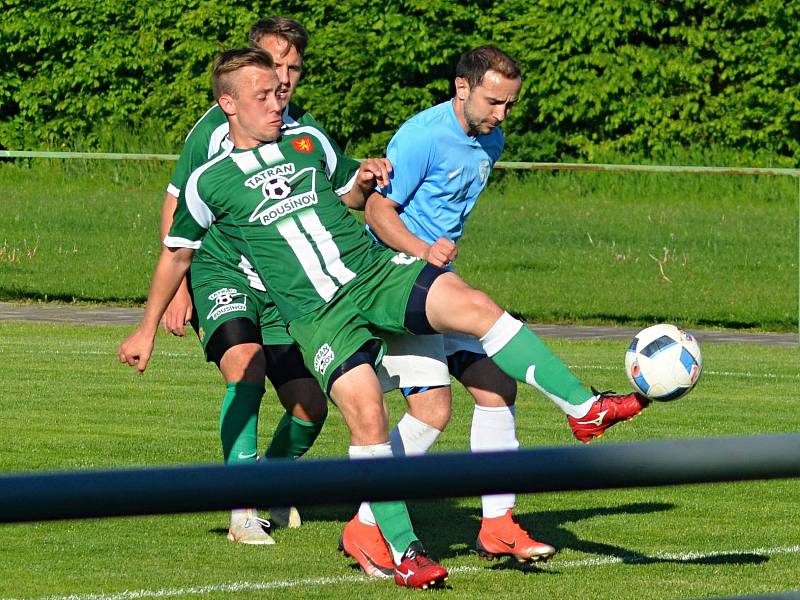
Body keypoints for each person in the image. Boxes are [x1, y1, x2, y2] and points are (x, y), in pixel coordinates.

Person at [119, 47, 647, 588]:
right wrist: (146, 327)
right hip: (319, 315)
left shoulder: (308, 141)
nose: (278, 103)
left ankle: (584, 408)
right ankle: (405, 551)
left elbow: (350, 191)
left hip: (373, 273)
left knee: (474, 308)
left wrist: (366, 176)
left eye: (280, 92)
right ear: (228, 104)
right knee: (367, 416)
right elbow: (177, 252)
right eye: (263, 96)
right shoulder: (209, 181)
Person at [158, 17, 375, 545]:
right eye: (274, 63)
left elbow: (337, 194)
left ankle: (275, 482)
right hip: (221, 272)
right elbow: (177, 204)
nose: (284, 77)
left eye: (293, 67)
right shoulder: (212, 131)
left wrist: (365, 183)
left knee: (309, 405)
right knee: (244, 369)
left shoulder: (303, 130)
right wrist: (178, 290)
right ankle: (242, 507)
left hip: (286, 289)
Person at [363, 44, 561, 563]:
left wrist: (439, 263)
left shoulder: (490, 138)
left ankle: (498, 523)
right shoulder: (422, 136)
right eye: (494, 102)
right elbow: (378, 213)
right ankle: (367, 522)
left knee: (496, 385)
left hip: (437, 280)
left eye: (510, 105)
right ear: (462, 88)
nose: (501, 115)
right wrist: (423, 252)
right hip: (399, 283)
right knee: (431, 410)